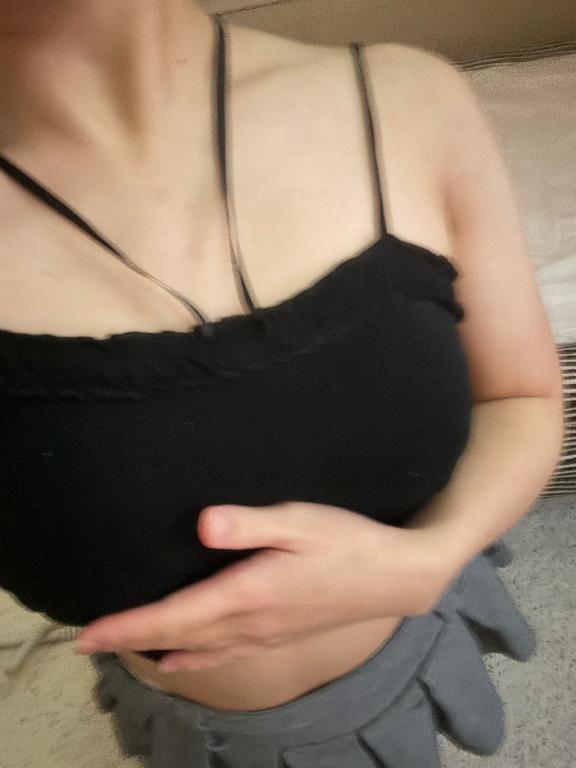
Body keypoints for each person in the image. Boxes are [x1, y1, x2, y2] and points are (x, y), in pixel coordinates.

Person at [0, 1, 564, 766]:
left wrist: (432, 559)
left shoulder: (407, 102)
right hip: (205, 730)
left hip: (419, 634)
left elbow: (522, 396)